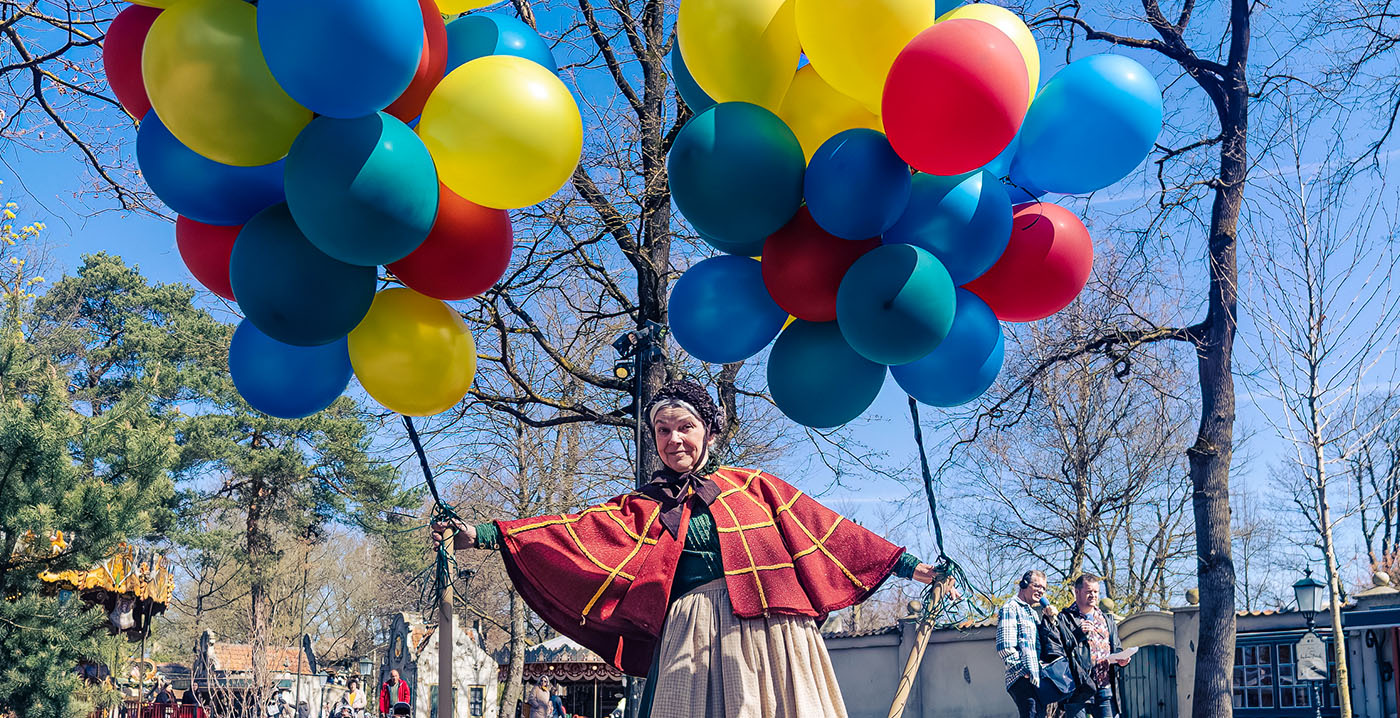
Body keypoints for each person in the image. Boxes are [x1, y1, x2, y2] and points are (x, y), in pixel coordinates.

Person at [433, 379, 957, 718]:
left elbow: (834, 535)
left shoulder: (757, 487)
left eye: (685, 427)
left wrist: (916, 569)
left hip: (774, 633)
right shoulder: (643, 505)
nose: (673, 439)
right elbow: (572, 532)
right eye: (662, 430)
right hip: (691, 635)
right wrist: (482, 534)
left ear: (709, 432)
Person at [1042, 574, 1131, 718]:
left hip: (1104, 685)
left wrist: (1122, 659)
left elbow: (1116, 647)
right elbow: (1057, 651)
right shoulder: (1064, 619)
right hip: (1078, 688)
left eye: (1096, 592)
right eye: (1089, 591)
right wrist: (1077, 634)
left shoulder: (1106, 619)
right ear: (1077, 592)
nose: (1093, 595)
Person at [997, 569, 1051, 718]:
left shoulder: (1033, 613)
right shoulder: (1011, 608)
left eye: (1044, 588)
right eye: (1037, 586)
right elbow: (1005, 648)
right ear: (1024, 584)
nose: (1041, 591)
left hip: (1035, 679)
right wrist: (1024, 672)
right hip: (1023, 679)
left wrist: (1049, 619)